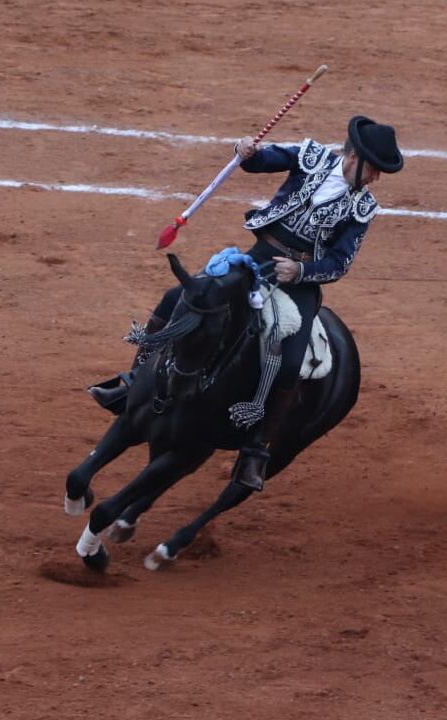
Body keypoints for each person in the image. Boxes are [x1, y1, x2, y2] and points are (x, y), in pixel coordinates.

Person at [88, 114, 404, 490]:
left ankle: (256, 447)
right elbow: (263, 161)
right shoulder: (312, 157)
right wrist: (247, 152)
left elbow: (340, 262)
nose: (375, 179)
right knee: (176, 297)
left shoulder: (363, 208)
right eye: (374, 169)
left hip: (299, 283)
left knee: (290, 363)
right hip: (255, 260)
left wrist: (300, 272)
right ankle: (135, 381)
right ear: (354, 158)